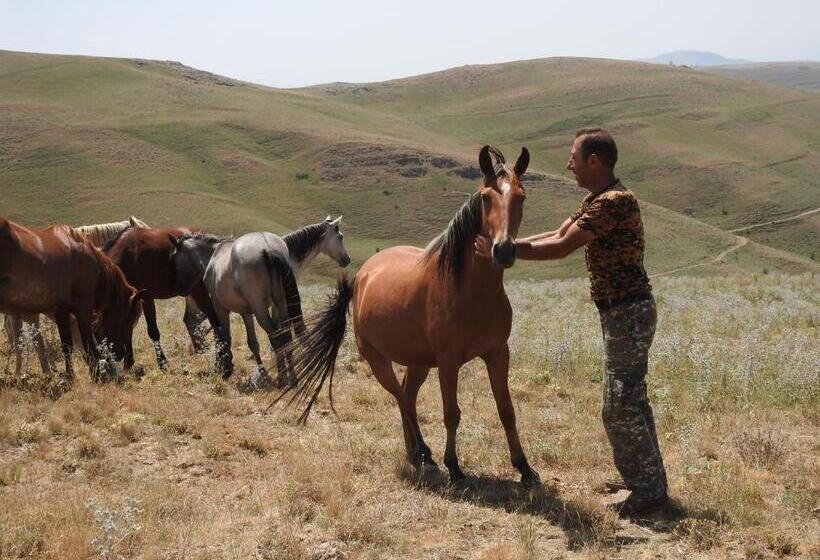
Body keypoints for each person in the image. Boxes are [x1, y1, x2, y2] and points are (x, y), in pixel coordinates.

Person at [475, 128, 668, 517]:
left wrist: (507, 253)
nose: (569, 164)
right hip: (621, 312)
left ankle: (648, 494)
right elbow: (558, 232)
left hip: (627, 312)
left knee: (619, 404)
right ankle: (648, 481)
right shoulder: (596, 199)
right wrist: (506, 244)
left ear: (593, 161)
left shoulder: (613, 203)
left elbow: (563, 247)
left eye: (574, 158)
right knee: (631, 399)